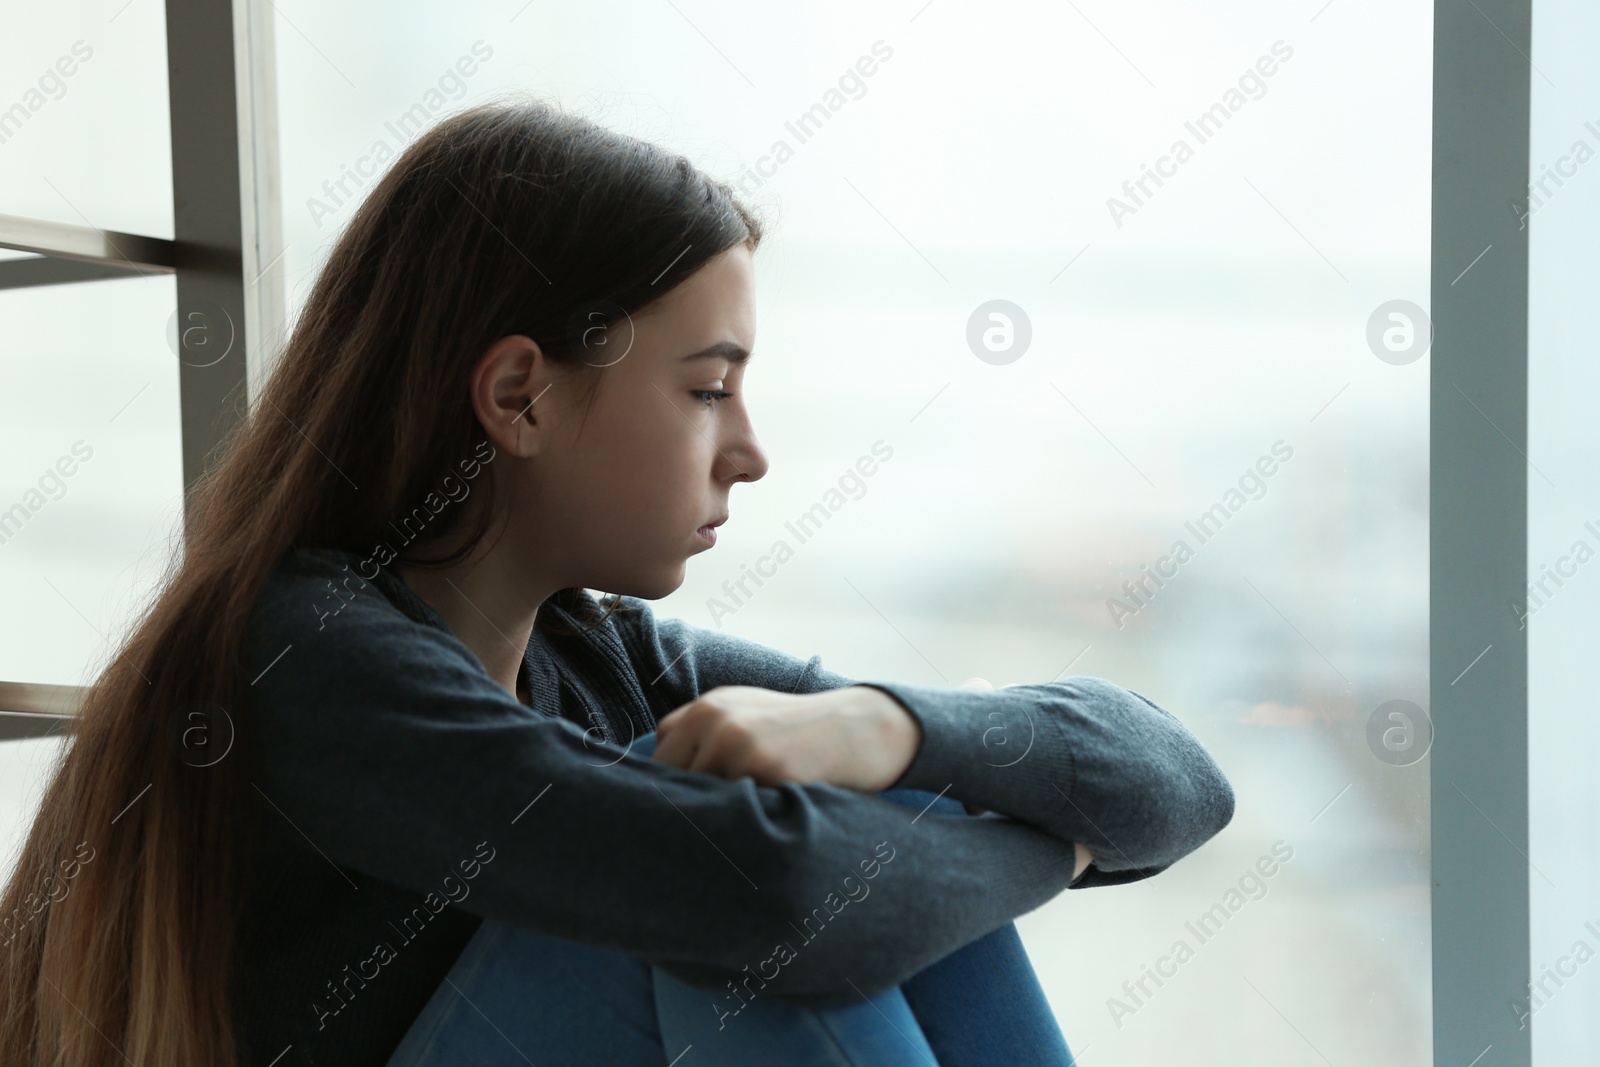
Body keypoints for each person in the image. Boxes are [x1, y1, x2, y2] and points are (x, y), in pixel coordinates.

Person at [0, 98, 1236, 1067]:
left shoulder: (605, 658)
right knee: (719, 900)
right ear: (520, 395)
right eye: (708, 388)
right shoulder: (307, 653)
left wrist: (885, 726)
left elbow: (1179, 778)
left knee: (780, 827)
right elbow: (774, 897)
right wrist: (1052, 848)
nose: (750, 450)